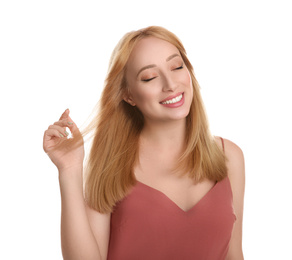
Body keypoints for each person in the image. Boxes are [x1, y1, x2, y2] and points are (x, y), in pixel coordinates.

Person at [43, 26, 245, 260]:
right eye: (150, 77)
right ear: (128, 95)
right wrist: (69, 171)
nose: (170, 84)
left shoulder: (229, 156)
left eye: (177, 66)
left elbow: (235, 254)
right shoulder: (110, 166)